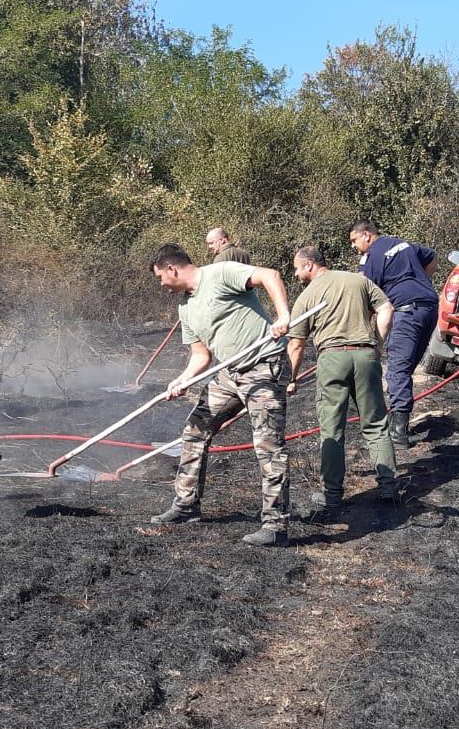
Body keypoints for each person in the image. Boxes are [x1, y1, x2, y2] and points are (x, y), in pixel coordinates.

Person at [148, 243, 293, 547]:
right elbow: (200, 356)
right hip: (230, 375)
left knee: (267, 444)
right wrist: (182, 381)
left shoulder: (221, 273)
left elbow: (270, 275)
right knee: (194, 430)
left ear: (172, 269)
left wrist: (282, 316)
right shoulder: (185, 308)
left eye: (160, 276)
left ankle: (275, 524)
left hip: (264, 365)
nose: (160, 284)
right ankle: (186, 506)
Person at [285, 244, 399, 511]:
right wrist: (377, 344)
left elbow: (297, 344)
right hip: (366, 356)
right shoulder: (358, 280)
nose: (296, 274)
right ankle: (389, 486)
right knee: (375, 424)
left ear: (309, 264)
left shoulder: (307, 296)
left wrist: (291, 378)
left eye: (297, 268)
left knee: (332, 429)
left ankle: (333, 495)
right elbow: (387, 309)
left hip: (332, 359)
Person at [349, 219, 438, 450]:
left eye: (354, 240)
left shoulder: (370, 259)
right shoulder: (402, 244)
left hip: (407, 312)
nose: (353, 246)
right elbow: (431, 256)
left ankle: (398, 433)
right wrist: (422, 283)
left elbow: (366, 298)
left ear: (366, 235)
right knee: (406, 368)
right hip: (429, 308)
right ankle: (400, 417)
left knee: (397, 370)